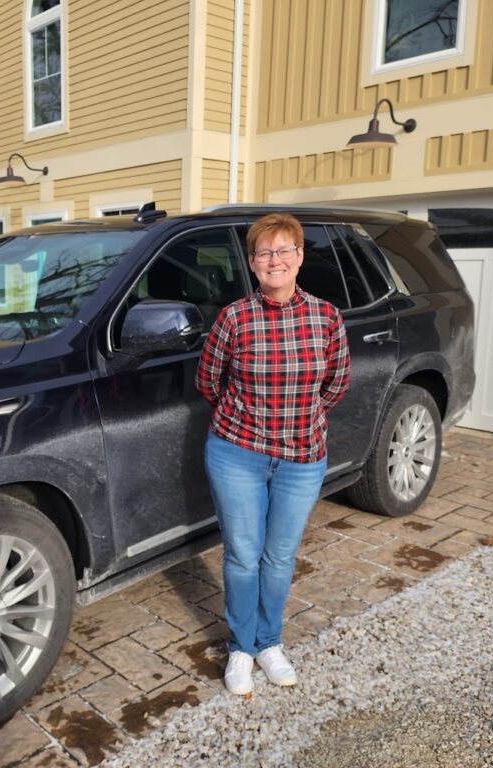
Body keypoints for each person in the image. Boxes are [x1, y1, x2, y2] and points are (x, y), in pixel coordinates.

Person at [195, 212, 350, 697]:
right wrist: (250, 420)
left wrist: (296, 420)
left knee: (279, 557)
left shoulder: (325, 317)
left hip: (302, 458)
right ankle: (241, 647)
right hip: (236, 453)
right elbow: (209, 382)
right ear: (252, 262)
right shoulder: (234, 317)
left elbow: (337, 383)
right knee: (243, 556)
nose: (275, 260)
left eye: (285, 250)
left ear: (301, 257)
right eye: (265, 252)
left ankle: (270, 643)